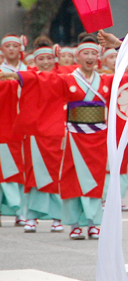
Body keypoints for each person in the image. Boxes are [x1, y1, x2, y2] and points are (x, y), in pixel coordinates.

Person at [0, 33, 128, 240]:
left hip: (98, 136)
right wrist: (15, 76)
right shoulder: (67, 80)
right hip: (74, 137)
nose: (89, 56)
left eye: (93, 53)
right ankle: (75, 224)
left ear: (98, 57)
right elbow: (43, 79)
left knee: (96, 180)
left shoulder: (106, 80)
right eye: (85, 52)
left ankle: (93, 222)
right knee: (72, 179)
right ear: (78, 57)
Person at [15, 36, 64, 232]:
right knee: (33, 174)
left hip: (57, 131)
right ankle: (32, 216)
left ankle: (57, 217)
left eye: (49, 58)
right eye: (41, 59)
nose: (45, 62)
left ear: (54, 59)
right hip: (34, 132)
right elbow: (12, 78)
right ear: (34, 61)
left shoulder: (62, 77)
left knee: (55, 174)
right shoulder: (29, 76)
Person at [0, 34, 28, 227]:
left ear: (21, 49)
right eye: (7, 46)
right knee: (4, 168)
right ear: (2, 50)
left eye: (14, 46)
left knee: (24, 167)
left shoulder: (29, 70)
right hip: (4, 123)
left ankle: (22, 212)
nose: (11, 49)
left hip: (25, 124)